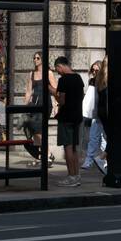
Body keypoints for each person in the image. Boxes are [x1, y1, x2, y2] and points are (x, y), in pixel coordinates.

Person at [50, 56, 85, 187]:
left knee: (68, 148)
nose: (57, 72)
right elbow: (81, 96)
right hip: (77, 116)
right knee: (74, 148)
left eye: (57, 69)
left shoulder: (63, 80)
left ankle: (71, 176)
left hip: (66, 117)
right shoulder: (78, 77)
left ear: (60, 66)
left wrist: (53, 92)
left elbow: (62, 100)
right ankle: (76, 176)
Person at [23, 52, 56, 166]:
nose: (35, 60)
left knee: (38, 130)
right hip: (34, 104)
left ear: (42, 59)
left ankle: (48, 154)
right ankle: (40, 156)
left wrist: (57, 105)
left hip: (45, 104)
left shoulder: (48, 73)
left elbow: (55, 90)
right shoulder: (32, 74)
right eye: (34, 58)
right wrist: (25, 105)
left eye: (37, 58)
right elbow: (28, 91)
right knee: (35, 130)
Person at [83, 59, 108, 176]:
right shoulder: (92, 81)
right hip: (96, 114)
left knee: (105, 139)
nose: (94, 72)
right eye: (92, 70)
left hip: (104, 113)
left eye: (96, 70)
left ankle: (103, 159)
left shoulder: (105, 81)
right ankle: (89, 161)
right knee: (93, 138)